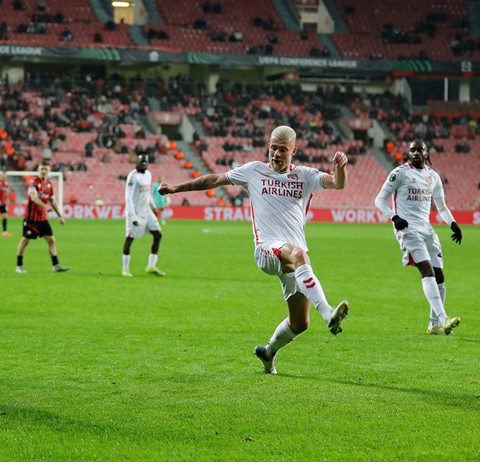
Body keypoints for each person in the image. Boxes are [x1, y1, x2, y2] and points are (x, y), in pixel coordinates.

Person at [158, 126, 349, 375]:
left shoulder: (305, 175)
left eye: (283, 149)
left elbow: (337, 183)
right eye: (273, 148)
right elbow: (214, 179)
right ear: (268, 146)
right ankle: (329, 314)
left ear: (293, 151)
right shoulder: (254, 171)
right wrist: (176, 188)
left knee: (300, 323)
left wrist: (341, 167)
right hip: (267, 250)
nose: (276, 154)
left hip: (292, 261)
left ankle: (268, 352)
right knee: (300, 255)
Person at [374, 139, 462, 335]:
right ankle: (443, 318)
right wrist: (394, 217)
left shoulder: (433, 177)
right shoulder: (400, 173)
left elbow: (442, 207)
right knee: (427, 270)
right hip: (408, 230)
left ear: (426, 154)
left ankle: (434, 325)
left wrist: (453, 224)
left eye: (420, 150)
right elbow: (379, 200)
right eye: (412, 150)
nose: (416, 153)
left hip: (427, 230)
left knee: (440, 276)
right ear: (409, 153)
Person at [16, 161, 69, 273]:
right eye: (42, 169)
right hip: (31, 218)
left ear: (49, 170)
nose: (43, 171)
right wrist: (45, 206)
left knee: (51, 240)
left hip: (42, 218)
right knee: (25, 241)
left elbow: (53, 201)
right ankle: (19, 266)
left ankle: (56, 265)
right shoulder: (33, 183)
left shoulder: (49, 185)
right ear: (38, 170)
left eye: (45, 169)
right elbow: (33, 198)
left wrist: (60, 216)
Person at [122, 155, 165, 277]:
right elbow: (128, 196)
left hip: (146, 210)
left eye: (146, 162)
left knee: (158, 234)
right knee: (130, 238)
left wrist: (153, 206)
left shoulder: (148, 174)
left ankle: (151, 266)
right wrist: (132, 215)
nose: (144, 164)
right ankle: (125, 269)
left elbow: (147, 193)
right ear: (137, 162)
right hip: (135, 212)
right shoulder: (133, 176)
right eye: (141, 162)